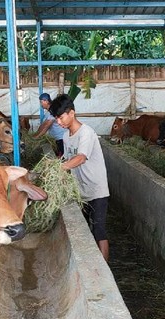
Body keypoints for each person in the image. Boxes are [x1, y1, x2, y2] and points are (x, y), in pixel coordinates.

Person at [49, 94, 110, 262]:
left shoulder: (86, 133)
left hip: (96, 190)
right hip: (79, 190)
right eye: (56, 119)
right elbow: (68, 159)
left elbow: (81, 157)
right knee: (83, 228)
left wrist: (58, 168)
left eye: (61, 118)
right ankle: (88, 262)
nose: (59, 122)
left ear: (72, 113)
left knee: (99, 229)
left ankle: (104, 267)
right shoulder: (66, 137)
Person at [32, 92, 67, 157]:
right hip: (57, 139)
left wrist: (36, 137)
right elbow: (43, 125)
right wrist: (36, 134)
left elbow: (47, 125)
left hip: (61, 139)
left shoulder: (53, 111)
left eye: (41, 102)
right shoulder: (48, 112)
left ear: (46, 101)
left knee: (61, 157)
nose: (41, 104)